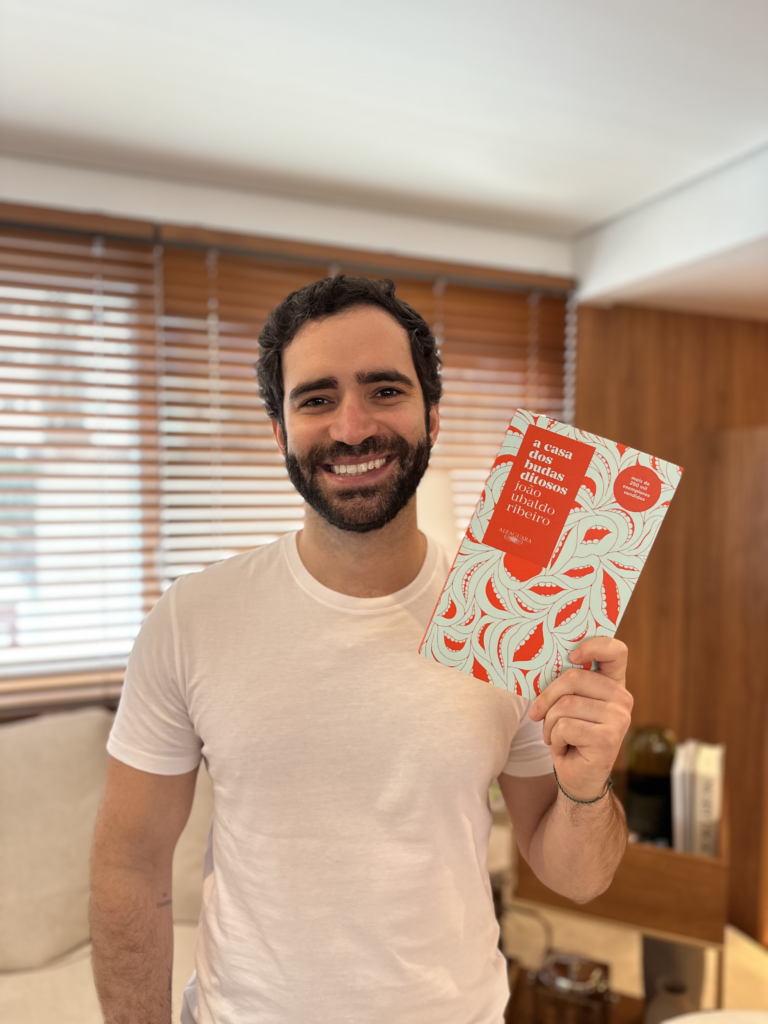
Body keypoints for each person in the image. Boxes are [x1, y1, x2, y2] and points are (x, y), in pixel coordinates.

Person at [90, 275, 633, 1024]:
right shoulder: (194, 618)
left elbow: (577, 877)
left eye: (384, 390)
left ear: (432, 414)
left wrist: (588, 788)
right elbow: (129, 863)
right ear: (279, 431)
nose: (351, 428)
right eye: (316, 399)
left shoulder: (513, 618)